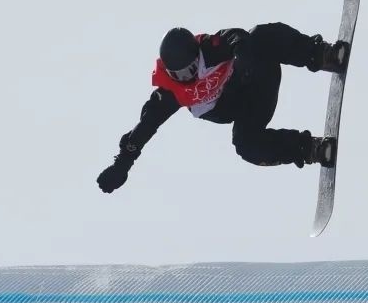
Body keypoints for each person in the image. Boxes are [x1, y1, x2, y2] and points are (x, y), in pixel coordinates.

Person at [97, 23, 350, 194]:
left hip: (257, 78)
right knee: (245, 145)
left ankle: (321, 55)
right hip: (247, 110)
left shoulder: (211, 48)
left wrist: (245, 55)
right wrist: (122, 164)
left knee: (260, 36)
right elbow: (144, 128)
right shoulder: (169, 94)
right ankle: (311, 149)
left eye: (190, 69)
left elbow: (236, 35)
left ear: (196, 55)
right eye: (179, 74)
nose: (187, 78)